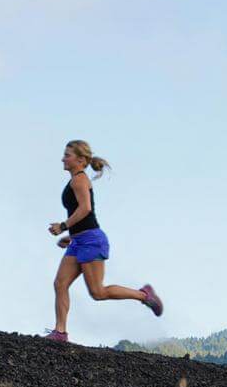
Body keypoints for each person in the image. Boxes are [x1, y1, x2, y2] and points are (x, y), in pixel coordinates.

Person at [46, 140, 162, 342]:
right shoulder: (75, 180)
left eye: (68, 155)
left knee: (98, 292)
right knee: (60, 283)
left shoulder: (79, 180)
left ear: (81, 160)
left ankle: (144, 295)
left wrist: (63, 226)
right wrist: (72, 236)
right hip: (80, 241)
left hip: (91, 241)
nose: (63, 158)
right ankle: (60, 332)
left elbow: (86, 209)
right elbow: (82, 214)